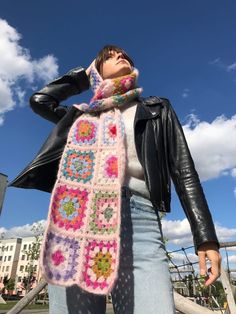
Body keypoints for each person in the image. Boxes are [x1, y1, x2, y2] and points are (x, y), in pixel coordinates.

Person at [10, 45, 221, 314]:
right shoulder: (80, 115)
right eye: (108, 57)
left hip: (141, 225)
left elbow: (184, 172)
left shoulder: (157, 109)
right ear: (96, 71)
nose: (120, 56)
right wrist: (82, 78)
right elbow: (39, 101)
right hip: (76, 230)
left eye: (123, 54)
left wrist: (206, 237)